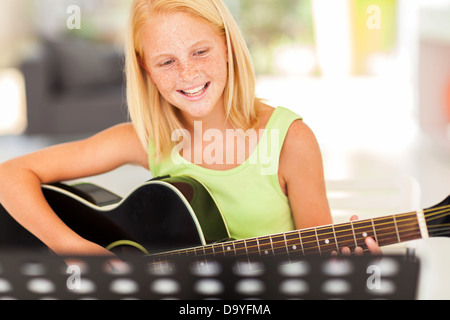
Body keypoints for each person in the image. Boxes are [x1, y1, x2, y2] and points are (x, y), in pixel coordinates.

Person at [0, 0, 380, 256]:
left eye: (201, 51)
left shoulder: (289, 141)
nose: (189, 73)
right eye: (166, 62)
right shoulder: (146, 139)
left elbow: (320, 256)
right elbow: (10, 175)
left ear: (228, 46)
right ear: (146, 69)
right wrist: (77, 251)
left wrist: (349, 264)